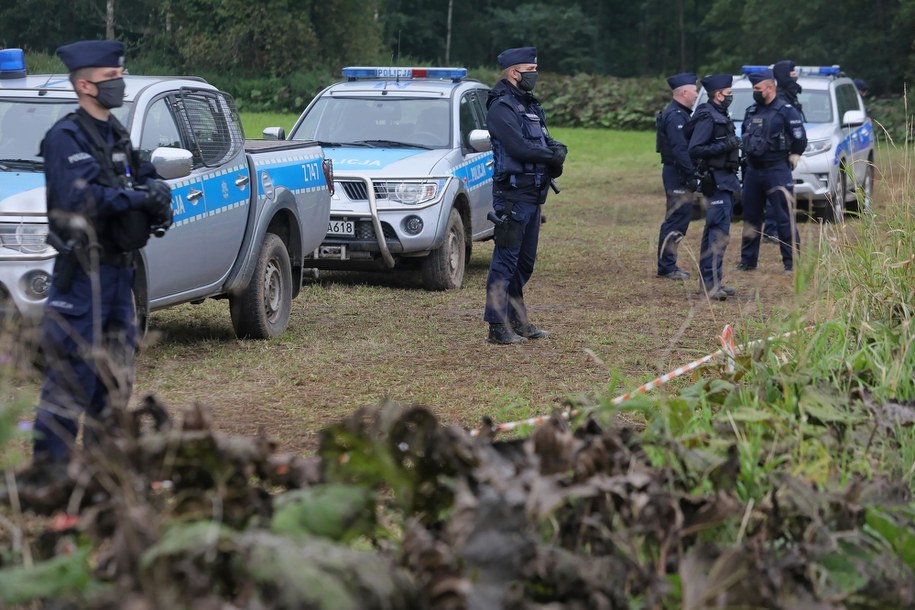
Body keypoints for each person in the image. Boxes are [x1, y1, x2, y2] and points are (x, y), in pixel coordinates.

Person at [32, 40, 173, 463]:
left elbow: (141, 175)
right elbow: (85, 199)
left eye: (119, 75)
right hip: (81, 277)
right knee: (70, 380)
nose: (119, 83)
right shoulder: (65, 138)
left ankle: (100, 472)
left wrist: (158, 192)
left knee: (114, 381)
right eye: (109, 78)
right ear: (84, 86)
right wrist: (139, 198)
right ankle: (51, 476)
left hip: (119, 276)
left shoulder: (115, 133)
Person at [483, 46, 566, 345]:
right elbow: (518, 148)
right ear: (514, 72)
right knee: (505, 261)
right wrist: (551, 156)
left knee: (524, 263)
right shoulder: (501, 107)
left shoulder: (529, 105)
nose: (535, 75)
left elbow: (544, 139)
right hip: (513, 195)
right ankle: (496, 325)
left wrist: (558, 150)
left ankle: (518, 321)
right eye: (531, 71)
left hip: (533, 194)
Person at [737, 69, 807, 274]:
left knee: (783, 217)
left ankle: (792, 263)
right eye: (754, 88)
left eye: (758, 88)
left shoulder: (786, 111)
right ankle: (748, 261)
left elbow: (800, 138)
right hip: (753, 171)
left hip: (777, 169)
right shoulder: (751, 111)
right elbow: (745, 136)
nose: (755, 92)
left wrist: (795, 154)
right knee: (751, 217)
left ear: (770, 88)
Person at [685, 74, 741, 300]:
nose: (731, 97)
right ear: (719, 95)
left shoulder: (719, 114)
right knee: (717, 234)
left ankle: (713, 281)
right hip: (715, 181)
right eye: (729, 94)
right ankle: (710, 284)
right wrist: (726, 144)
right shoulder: (708, 117)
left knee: (717, 232)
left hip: (724, 179)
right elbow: (695, 149)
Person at [656, 72, 700, 281]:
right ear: (683, 92)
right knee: (676, 218)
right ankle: (667, 266)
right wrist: (691, 174)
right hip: (677, 172)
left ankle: (668, 264)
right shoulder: (675, 116)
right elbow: (680, 149)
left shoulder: (682, 113)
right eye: (694, 90)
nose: (696, 94)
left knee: (680, 217)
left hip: (679, 171)